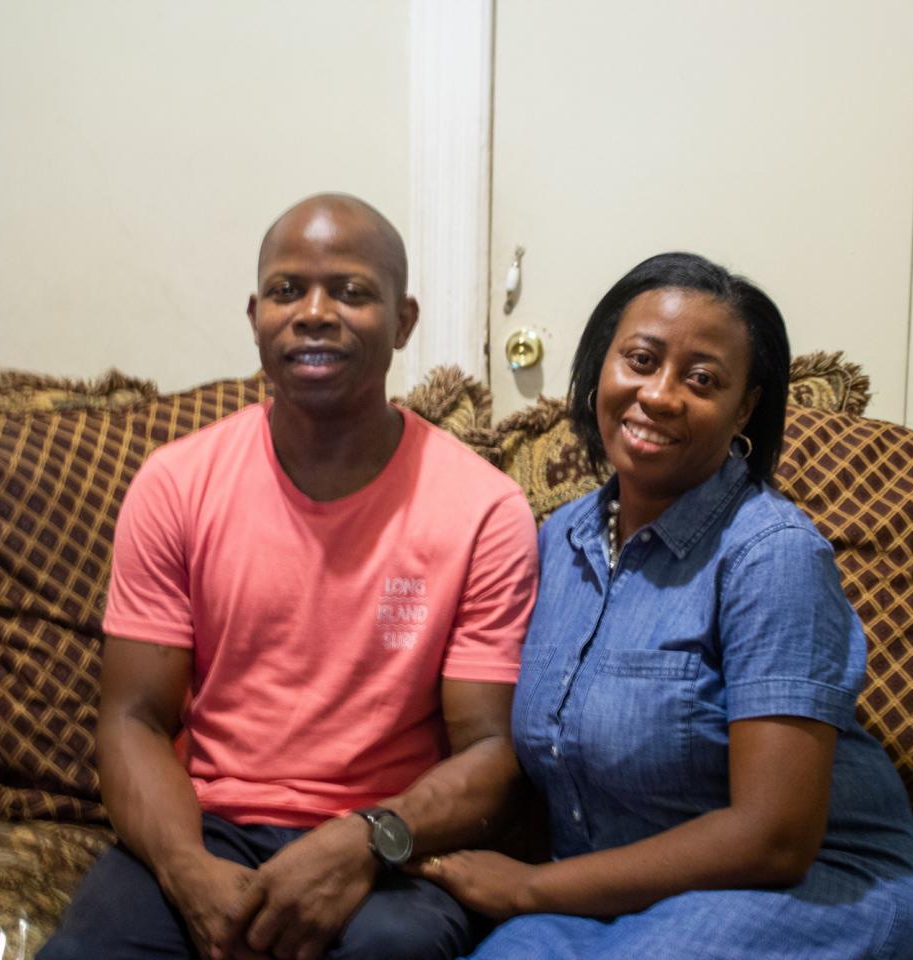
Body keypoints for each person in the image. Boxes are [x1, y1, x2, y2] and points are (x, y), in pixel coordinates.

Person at [38, 194, 539, 960]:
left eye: (350, 291)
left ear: (403, 322)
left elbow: (490, 753)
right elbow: (133, 717)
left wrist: (366, 841)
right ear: (254, 315)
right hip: (209, 828)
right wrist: (185, 873)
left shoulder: (483, 508)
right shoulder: (176, 483)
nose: (314, 312)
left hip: (390, 843)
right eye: (286, 290)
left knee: (392, 952)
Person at [413, 252, 913, 959]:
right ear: (601, 366)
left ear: (744, 407)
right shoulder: (556, 541)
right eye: (640, 360)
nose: (659, 395)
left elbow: (773, 838)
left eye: (701, 380)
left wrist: (530, 889)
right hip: (608, 896)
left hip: (804, 890)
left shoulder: (771, 555)